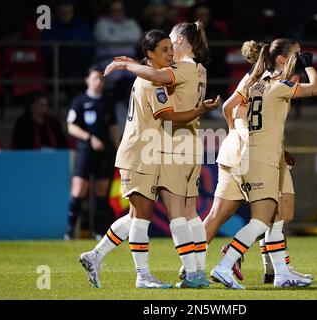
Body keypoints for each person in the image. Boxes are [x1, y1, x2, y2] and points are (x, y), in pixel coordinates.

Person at [78, 29, 219, 289]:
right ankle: (143, 276)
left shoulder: (158, 78)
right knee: (142, 216)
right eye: (163, 49)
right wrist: (200, 109)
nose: (169, 53)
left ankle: (95, 255)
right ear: (150, 54)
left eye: (170, 47)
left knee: (135, 216)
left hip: (147, 153)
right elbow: (169, 116)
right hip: (141, 154)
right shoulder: (153, 81)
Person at [210, 38, 317, 289]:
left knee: (276, 218)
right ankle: (225, 264)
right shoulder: (278, 86)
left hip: (263, 156)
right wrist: (308, 67)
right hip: (261, 158)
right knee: (262, 221)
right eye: (298, 54)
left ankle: (281, 272)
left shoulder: (259, 85)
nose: (301, 56)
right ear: (283, 60)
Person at [64, 65, 120, 240]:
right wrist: (89, 139)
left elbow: (113, 127)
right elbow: (71, 127)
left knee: (101, 191)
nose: (98, 82)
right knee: (79, 188)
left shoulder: (107, 102)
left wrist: (118, 148)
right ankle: (70, 230)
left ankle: (98, 230)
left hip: (105, 152)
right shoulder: (79, 101)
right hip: (85, 151)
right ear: (87, 80)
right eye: (95, 78)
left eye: (101, 79)